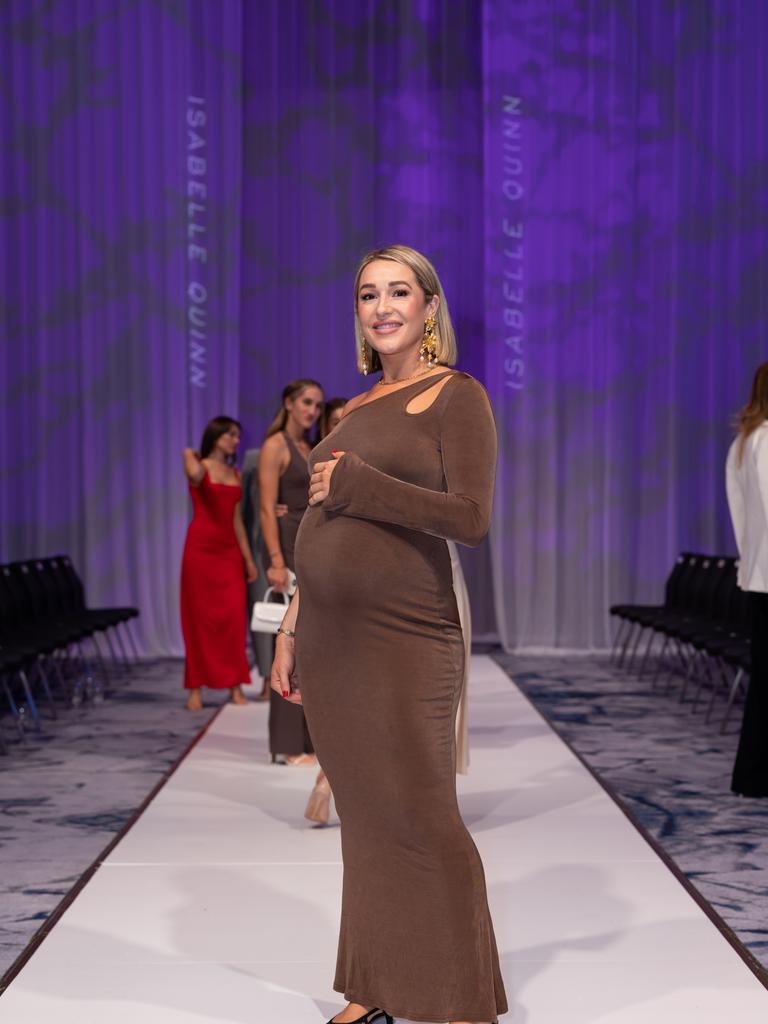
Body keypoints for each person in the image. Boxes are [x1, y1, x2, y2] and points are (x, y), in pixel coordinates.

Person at [272, 245, 507, 1024]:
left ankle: (464, 1001)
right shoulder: (358, 409)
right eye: (369, 294)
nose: (383, 307)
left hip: (406, 637)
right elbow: (319, 525)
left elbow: (471, 520)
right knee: (368, 820)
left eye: (400, 292)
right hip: (332, 641)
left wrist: (366, 486)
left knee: (422, 817)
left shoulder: (457, 397)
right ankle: (375, 986)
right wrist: (291, 629)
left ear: (430, 307)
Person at [259, 379, 324, 764]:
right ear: (288, 403)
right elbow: (267, 507)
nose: (312, 411)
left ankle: (310, 739)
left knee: (309, 645)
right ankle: (285, 744)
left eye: (316, 404)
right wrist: (276, 560)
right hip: (287, 545)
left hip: (311, 542)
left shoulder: (306, 446)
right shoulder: (275, 446)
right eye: (305, 402)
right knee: (285, 643)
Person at [181, 416, 257, 712]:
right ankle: (195, 689)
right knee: (198, 620)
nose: (235, 441)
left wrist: (248, 559)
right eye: (230, 435)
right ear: (216, 436)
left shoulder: (235, 473)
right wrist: (189, 453)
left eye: (237, 436)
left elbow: (237, 520)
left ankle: (235, 685)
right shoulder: (198, 464)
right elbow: (196, 477)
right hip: (200, 551)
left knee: (232, 620)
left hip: (228, 552)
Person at [725, 361, 768, 798]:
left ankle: (753, 775)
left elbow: (741, 516)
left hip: (757, 573)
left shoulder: (744, 441)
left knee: (762, 682)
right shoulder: (766, 439)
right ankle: (755, 774)